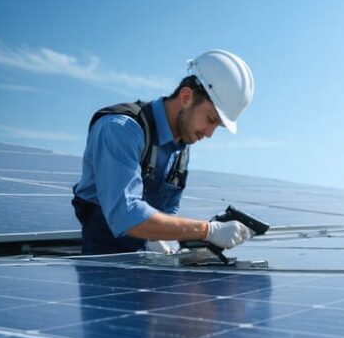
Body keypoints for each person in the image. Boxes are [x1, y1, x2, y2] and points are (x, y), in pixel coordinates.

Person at [72, 49, 255, 255]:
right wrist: (206, 231)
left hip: (148, 267)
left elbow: (168, 211)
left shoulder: (180, 150)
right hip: (103, 265)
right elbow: (124, 214)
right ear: (186, 97)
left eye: (218, 126)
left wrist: (163, 238)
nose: (210, 133)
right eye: (211, 119)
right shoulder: (121, 129)